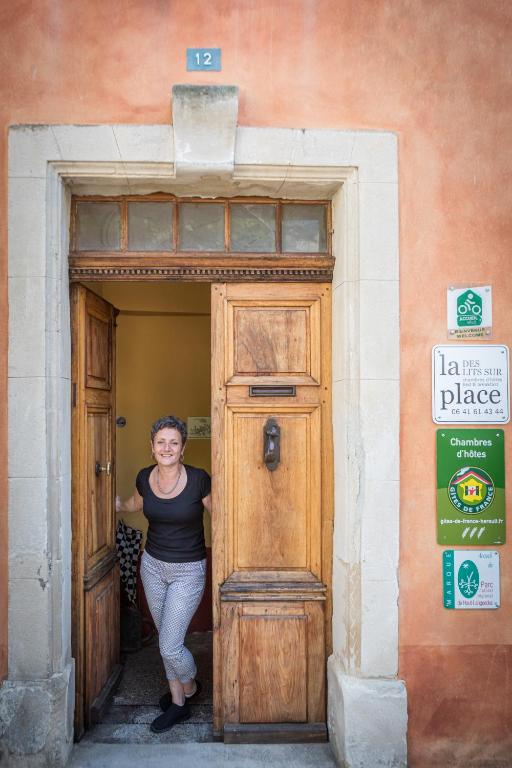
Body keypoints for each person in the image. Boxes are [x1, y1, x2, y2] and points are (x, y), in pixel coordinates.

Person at [115, 415, 212, 733]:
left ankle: (189, 690)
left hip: (188, 570)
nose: (167, 448)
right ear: (152, 447)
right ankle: (177, 697)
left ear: (183, 448)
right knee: (165, 641)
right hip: (152, 566)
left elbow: (223, 514)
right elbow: (134, 503)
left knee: (170, 645)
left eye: (174, 442)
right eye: (161, 442)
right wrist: (111, 503)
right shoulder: (145, 478)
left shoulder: (198, 479)